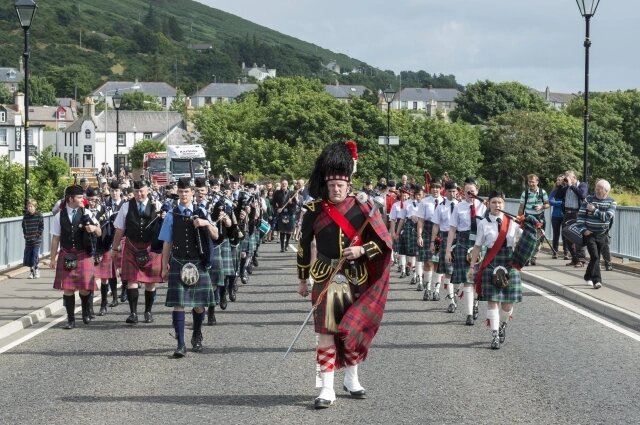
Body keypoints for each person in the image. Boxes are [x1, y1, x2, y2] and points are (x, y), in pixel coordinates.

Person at [296, 140, 392, 409]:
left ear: (349, 184)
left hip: (356, 276)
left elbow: (383, 243)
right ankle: (327, 388)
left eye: (340, 185)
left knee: (351, 329)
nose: (335, 190)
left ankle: (351, 378)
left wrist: (361, 251)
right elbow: (304, 246)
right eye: (331, 185)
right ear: (325, 184)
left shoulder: (364, 209)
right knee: (326, 331)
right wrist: (303, 279)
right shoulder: (313, 210)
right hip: (326, 275)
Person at [159, 177, 219, 357]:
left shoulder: (202, 211)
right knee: (179, 304)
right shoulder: (171, 214)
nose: (184, 195)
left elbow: (216, 236)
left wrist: (206, 223)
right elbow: (167, 242)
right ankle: (181, 344)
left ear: (192, 193)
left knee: (199, 305)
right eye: (181, 192)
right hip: (178, 261)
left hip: (198, 263)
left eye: (187, 192)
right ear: (177, 193)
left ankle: (196, 334)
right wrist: (164, 266)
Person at [468, 190, 522, 349]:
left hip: (509, 261)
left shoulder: (512, 221)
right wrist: (472, 266)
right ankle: (495, 335)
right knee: (492, 302)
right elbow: (477, 246)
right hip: (491, 261)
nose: (497, 205)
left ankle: (502, 325)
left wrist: (531, 225)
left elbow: (526, 236)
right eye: (493, 202)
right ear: (488, 204)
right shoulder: (483, 223)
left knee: (507, 305)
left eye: (499, 202)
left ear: (503, 204)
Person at [111, 180, 164, 324]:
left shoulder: (157, 206)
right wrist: (115, 248)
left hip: (151, 247)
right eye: (136, 191)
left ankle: (148, 312)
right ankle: (133, 313)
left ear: (148, 190)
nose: (139, 194)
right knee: (131, 281)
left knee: (150, 282)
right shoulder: (126, 206)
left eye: (142, 191)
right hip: (132, 246)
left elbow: (164, 229)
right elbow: (120, 229)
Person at [50, 184, 102, 329]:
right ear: (70, 198)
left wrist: (93, 228)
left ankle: (85, 311)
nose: (82, 199)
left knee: (84, 288)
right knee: (68, 289)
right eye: (79, 197)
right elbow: (55, 238)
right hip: (66, 254)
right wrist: (52, 259)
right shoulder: (59, 216)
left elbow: (99, 232)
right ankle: (70, 319)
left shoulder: (87, 213)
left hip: (83, 255)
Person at [445, 177, 486, 326]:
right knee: (468, 280)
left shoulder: (485, 206)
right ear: (464, 191)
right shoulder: (459, 207)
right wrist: (448, 250)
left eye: (473, 191)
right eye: (468, 191)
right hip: (463, 241)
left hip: (480, 244)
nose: (470, 193)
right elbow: (452, 229)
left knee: (477, 280)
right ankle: (469, 314)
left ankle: (475, 303)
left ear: (477, 191)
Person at [578, 179, 616, 289]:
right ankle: (597, 281)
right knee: (594, 256)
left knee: (596, 258)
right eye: (596, 188)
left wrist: (594, 210)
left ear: (606, 191)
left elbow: (607, 217)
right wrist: (583, 230)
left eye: (599, 189)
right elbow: (580, 216)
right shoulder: (588, 200)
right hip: (589, 234)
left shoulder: (612, 202)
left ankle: (587, 276)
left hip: (602, 234)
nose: (596, 190)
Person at [429, 180, 459, 312]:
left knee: (460, 271)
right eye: (450, 191)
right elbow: (435, 225)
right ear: (445, 192)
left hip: (461, 239)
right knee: (448, 271)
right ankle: (451, 300)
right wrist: (432, 242)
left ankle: (455, 293)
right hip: (446, 238)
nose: (452, 194)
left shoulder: (462, 205)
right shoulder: (440, 207)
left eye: (454, 191)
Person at [517, 174, 549, 266]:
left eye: (533, 182)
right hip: (528, 218)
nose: (531, 184)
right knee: (528, 238)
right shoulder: (525, 193)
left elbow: (547, 204)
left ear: (537, 182)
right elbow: (521, 206)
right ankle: (527, 258)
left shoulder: (542, 192)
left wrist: (541, 206)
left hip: (540, 218)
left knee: (539, 239)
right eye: (529, 182)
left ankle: (533, 257)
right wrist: (519, 217)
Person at [557, 170, 588, 267]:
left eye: (568, 177)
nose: (566, 178)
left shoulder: (582, 185)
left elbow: (582, 195)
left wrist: (571, 185)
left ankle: (581, 260)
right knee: (567, 235)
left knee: (578, 236)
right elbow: (558, 196)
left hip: (578, 214)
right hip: (567, 213)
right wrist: (561, 185)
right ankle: (574, 259)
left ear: (574, 177)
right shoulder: (566, 187)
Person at [272, 179, 298, 252]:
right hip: (281, 213)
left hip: (290, 213)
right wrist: (277, 209)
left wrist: (290, 203)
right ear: (281, 184)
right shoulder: (277, 193)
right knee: (282, 230)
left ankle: (287, 244)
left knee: (289, 230)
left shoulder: (292, 193)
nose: (284, 185)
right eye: (283, 184)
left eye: (285, 184)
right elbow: (273, 203)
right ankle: (282, 247)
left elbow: (295, 204)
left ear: (287, 185)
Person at [22, 199, 44, 279]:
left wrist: (37, 235)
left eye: (31, 206)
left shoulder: (39, 215)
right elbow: (23, 226)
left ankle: (37, 269)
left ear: (35, 207)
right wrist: (25, 235)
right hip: (28, 239)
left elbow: (41, 227)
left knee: (35, 255)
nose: (30, 208)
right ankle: (31, 272)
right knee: (29, 256)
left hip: (36, 240)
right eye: (28, 207)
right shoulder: (26, 216)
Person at [549, 174, 568, 260]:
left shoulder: (566, 190)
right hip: (555, 216)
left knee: (565, 235)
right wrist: (560, 202)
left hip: (564, 215)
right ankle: (555, 252)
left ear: (564, 181)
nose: (558, 181)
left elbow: (567, 201)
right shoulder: (554, 191)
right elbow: (550, 201)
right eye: (557, 180)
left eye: (560, 180)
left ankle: (566, 253)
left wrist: (558, 201)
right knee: (555, 235)